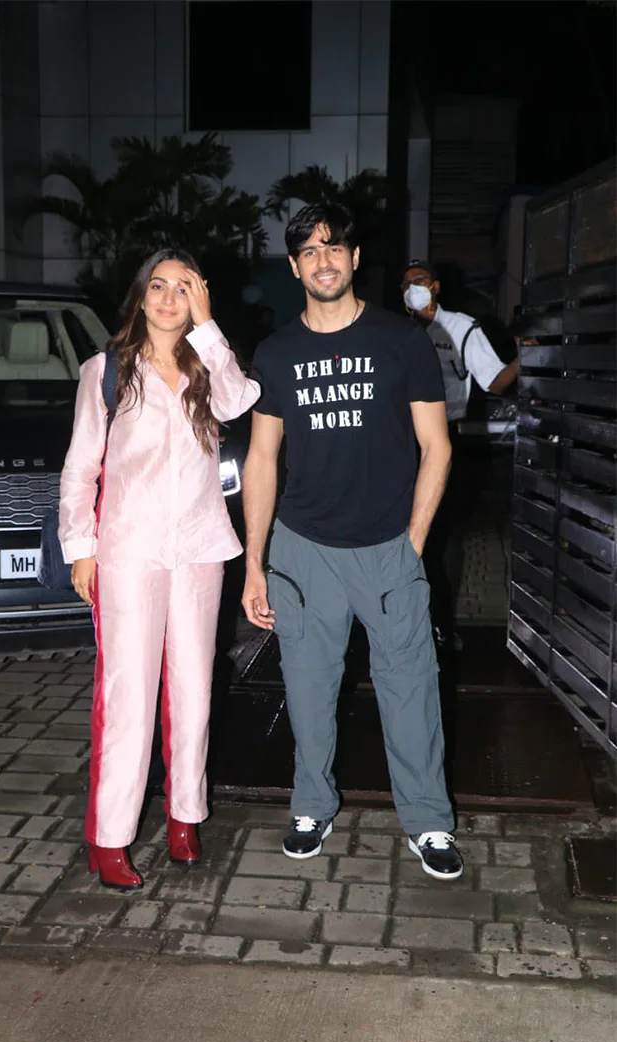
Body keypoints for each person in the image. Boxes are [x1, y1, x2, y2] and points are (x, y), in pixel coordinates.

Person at [241, 204, 463, 881]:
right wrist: (254, 564)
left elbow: (436, 446)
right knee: (309, 690)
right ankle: (311, 806)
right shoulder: (276, 353)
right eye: (309, 251)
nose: (324, 261)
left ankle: (427, 821)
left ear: (355, 258)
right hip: (303, 549)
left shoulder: (401, 341)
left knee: (411, 687)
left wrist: (413, 541)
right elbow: (261, 459)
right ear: (294, 267)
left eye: (334, 248)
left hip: (388, 547)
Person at [59, 248, 260, 890]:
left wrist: (209, 325)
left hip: (199, 549)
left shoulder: (208, 365)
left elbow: (239, 402)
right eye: (159, 286)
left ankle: (184, 817)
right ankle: (110, 837)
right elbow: (80, 467)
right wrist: (80, 547)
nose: (170, 299)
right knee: (129, 696)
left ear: (199, 295)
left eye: (184, 287)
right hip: (128, 552)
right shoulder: (107, 371)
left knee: (194, 690)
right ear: (140, 296)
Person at [401, 260, 519, 651]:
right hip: (400, 440)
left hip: (444, 437)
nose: (413, 289)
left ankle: (440, 624)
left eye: (419, 281)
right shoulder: (396, 332)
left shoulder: (462, 328)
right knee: (399, 533)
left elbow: (495, 381)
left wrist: (526, 358)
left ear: (435, 287)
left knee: (439, 534)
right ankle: (402, 622)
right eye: (406, 284)